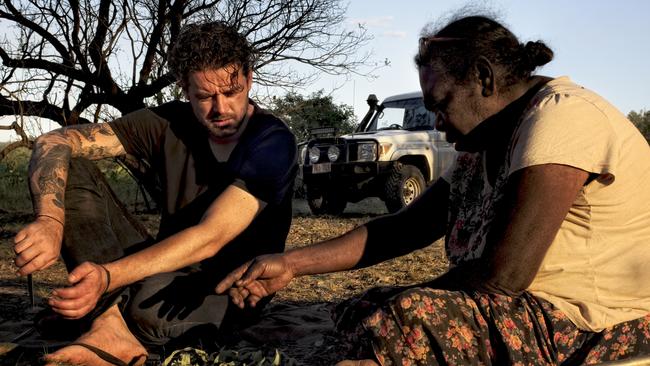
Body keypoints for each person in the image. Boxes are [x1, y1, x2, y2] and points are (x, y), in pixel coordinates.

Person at [217, 15, 650, 365]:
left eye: (442, 105)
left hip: (589, 323)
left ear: (483, 78)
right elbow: (406, 227)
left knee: (404, 316)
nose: (438, 123)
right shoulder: (485, 142)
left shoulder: (562, 118)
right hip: (519, 311)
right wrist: (292, 263)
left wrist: (411, 301)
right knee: (362, 309)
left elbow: (505, 276)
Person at [13, 21, 297, 365]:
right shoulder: (168, 122)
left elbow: (211, 237)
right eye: (205, 96)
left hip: (227, 289)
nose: (221, 108)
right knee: (72, 165)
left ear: (249, 79)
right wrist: (50, 219)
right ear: (184, 88)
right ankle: (108, 324)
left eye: (233, 91)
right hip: (159, 265)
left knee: (148, 307)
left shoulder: (272, 140)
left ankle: (111, 313)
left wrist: (107, 277)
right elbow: (55, 140)